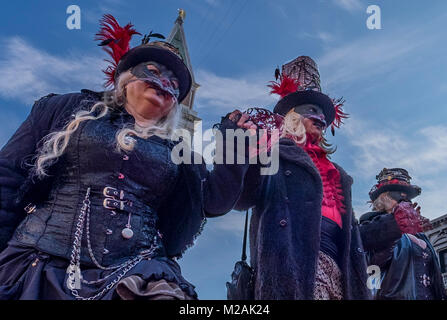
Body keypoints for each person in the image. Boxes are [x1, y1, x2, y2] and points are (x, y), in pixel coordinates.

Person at [0, 14, 250, 300]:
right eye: (153, 71)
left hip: (137, 274)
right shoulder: (65, 108)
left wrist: (236, 143)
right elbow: (7, 175)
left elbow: (214, 200)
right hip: (41, 266)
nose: (165, 83)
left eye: (174, 84)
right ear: (126, 80)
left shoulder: (178, 152)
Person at [229, 56, 370, 300]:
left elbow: (353, 238)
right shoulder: (272, 153)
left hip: (341, 276)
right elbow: (241, 198)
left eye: (324, 115)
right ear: (291, 117)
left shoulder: (339, 174)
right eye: (311, 110)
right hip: (294, 270)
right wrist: (241, 147)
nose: (321, 119)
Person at [359, 168, 447, 300]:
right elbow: (372, 265)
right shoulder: (370, 226)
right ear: (383, 198)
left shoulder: (420, 235)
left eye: (407, 195)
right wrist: (395, 223)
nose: (404, 199)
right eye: (398, 194)